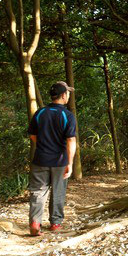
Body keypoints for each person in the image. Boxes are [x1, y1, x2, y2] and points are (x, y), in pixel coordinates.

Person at [27, 81, 77, 236]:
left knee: (37, 191)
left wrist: (44, 145)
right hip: (59, 161)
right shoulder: (67, 115)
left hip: (40, 159)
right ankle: (55, 223)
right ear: (63, 95)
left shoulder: (40, 113)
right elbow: (71, 140)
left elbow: (32, 135)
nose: (68, 95)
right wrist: (70, 162)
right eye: (68, 92)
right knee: (58, 191)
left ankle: (35, 222)